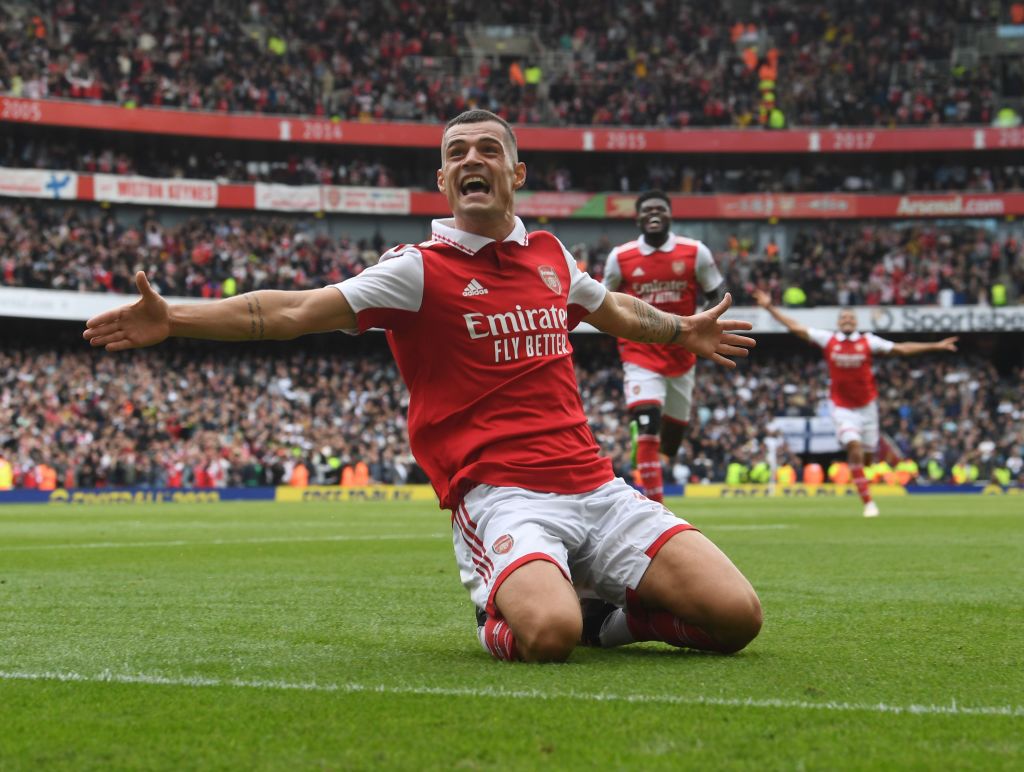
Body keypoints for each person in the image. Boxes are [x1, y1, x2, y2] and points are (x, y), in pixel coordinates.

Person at [85, 109, 762, 663]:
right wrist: (174, 316)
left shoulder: (550, 255)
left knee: (737, 618)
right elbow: (292, 311)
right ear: (443, 179)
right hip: (502, 496)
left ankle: (609, 625)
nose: (473, 159)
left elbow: (613, 310)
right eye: (458, 152)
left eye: (488, 149)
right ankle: (499, 608)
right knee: (547, 636)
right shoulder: (416, 271)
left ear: (515, 172)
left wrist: (681, 332)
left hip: (595, 486)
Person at [753, 290, 958, 517]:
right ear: (839, 323)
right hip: (842, 407)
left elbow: (901, 348)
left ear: (856, 322)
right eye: (844, 318)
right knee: (854, 445)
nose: (847, 321)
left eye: (851, 318)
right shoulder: (829, 340)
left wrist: (936, 346)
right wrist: (770, 308)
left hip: (868, 407)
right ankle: (868, 502)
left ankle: (861, 479)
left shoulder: (868, 341)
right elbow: (796, 328)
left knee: (868, 459)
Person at [602, 190, 726, 502]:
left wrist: (703, 322)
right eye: (647, 210)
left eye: (660, 209)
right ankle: (658, 512)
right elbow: (604, 299)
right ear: (638, 218)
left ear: (670, 215)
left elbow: (718, 290)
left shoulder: (694, 252)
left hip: (682, 353)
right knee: (647, 426)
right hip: (639, 351)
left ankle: (647, 448)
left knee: (670, 442)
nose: (653, 213)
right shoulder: (620, 257)